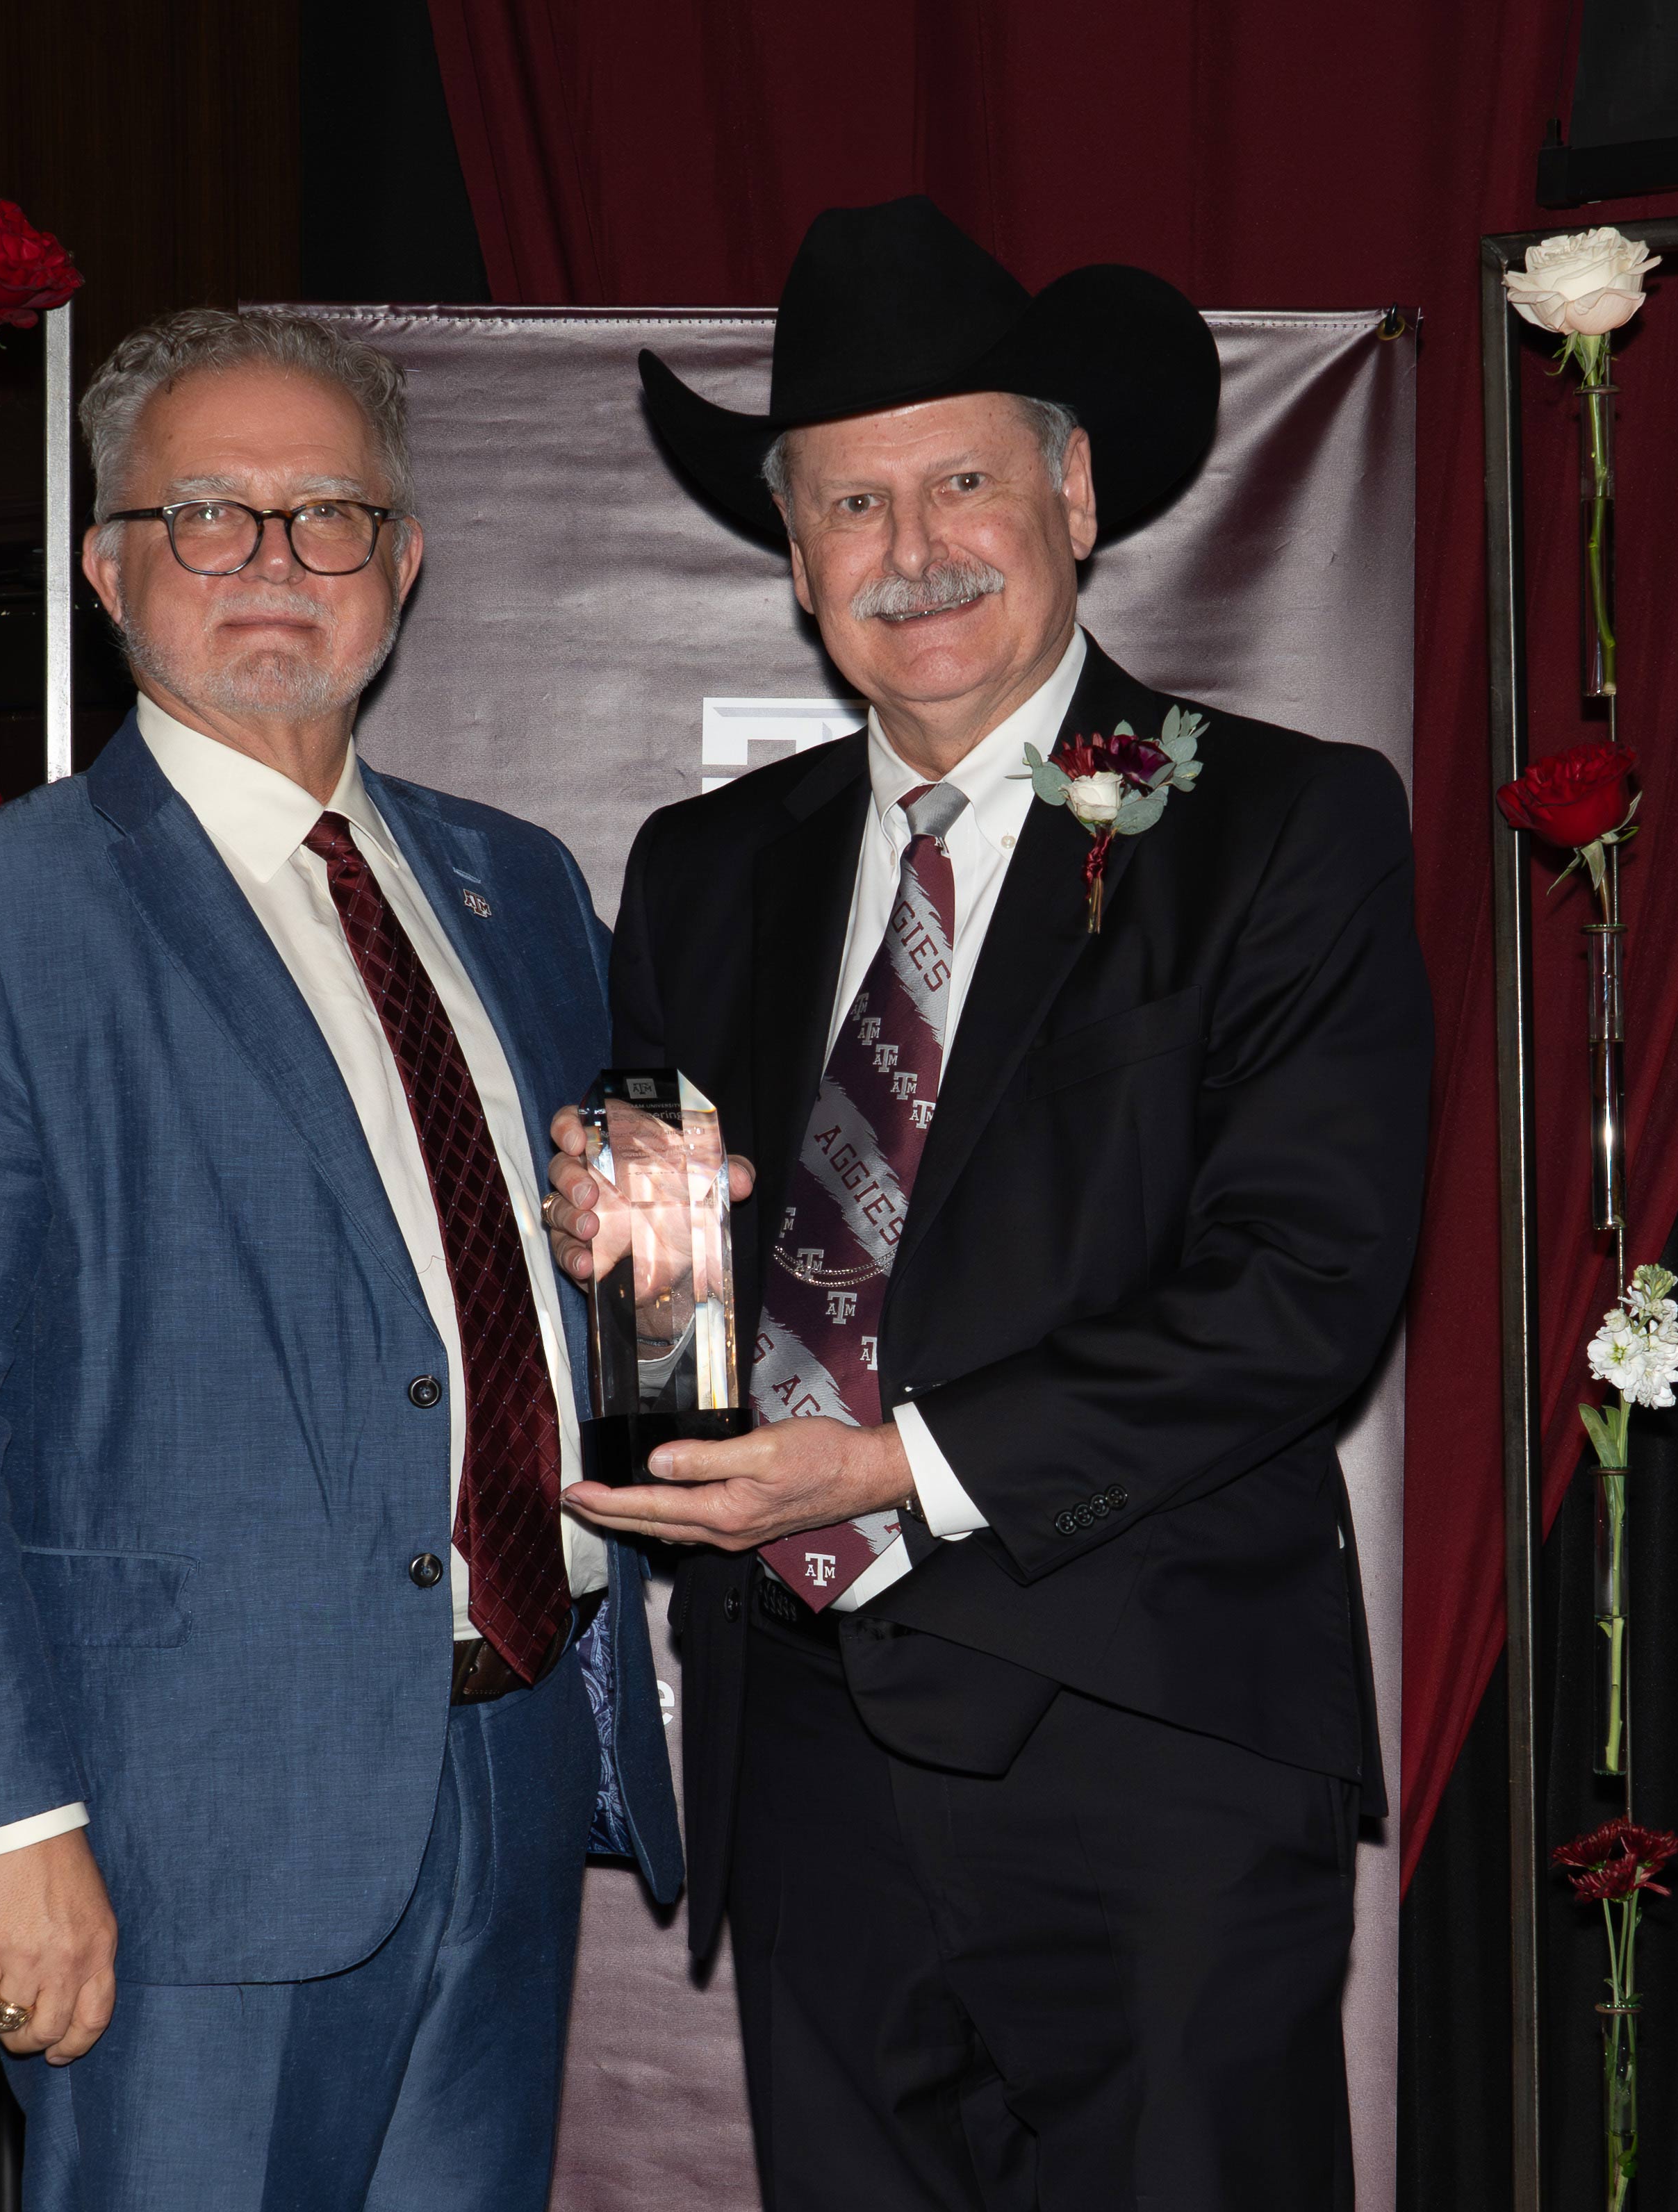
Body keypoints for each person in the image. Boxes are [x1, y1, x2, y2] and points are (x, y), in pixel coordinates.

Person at [545, 198, 1430, 2211]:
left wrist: (892, 1469)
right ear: (793, 558)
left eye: (962, 478)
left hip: (1156, 1755)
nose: (912, 545)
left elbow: (1300, 1290)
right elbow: (679, 1285)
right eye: (850, 501)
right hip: (811, 1763)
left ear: (1077, 495)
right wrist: (628, 1264)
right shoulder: (705, 864)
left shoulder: (1279, 823)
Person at [0, 306, 679, 2212]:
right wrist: (4, 1824)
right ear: (110, 566)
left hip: (506, 1767)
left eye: (326, 517)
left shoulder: (512, 883)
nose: (272, 566)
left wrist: (670, 1263)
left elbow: (537, 1281)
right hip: (166, 1832)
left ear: (408, 561)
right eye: (207, 516)